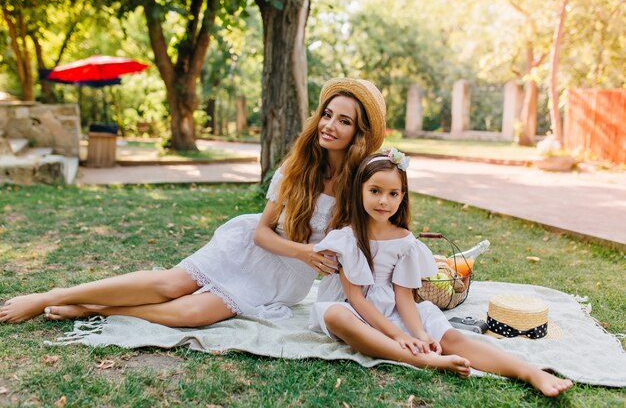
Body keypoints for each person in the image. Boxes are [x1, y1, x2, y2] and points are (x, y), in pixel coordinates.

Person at [0, 78, 387, 327]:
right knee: (171, 285)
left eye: (343, 121)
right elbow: (261, 234)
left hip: (284, 279)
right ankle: (50, 297)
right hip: (249, 250)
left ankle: (95, 308)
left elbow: (372, 237)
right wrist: (305, 252)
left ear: (359, 133)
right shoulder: (298, 165)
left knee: (193, 313)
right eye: (327, 114)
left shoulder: (360, 185)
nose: (329, 125)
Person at [308, 149, 573, 397]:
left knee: (451, 337)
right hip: (360, 313)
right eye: (375, 191)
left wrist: (419, 333)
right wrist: (399, 336)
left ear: (402, 197)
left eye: (393, 194)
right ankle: (423, 360)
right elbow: (356, 298)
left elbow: (403, 297)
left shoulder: (405, 241)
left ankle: (528, 371)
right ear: (360, 191)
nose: (383, 201)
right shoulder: (347, 238)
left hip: (397, 310)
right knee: (334, 315)